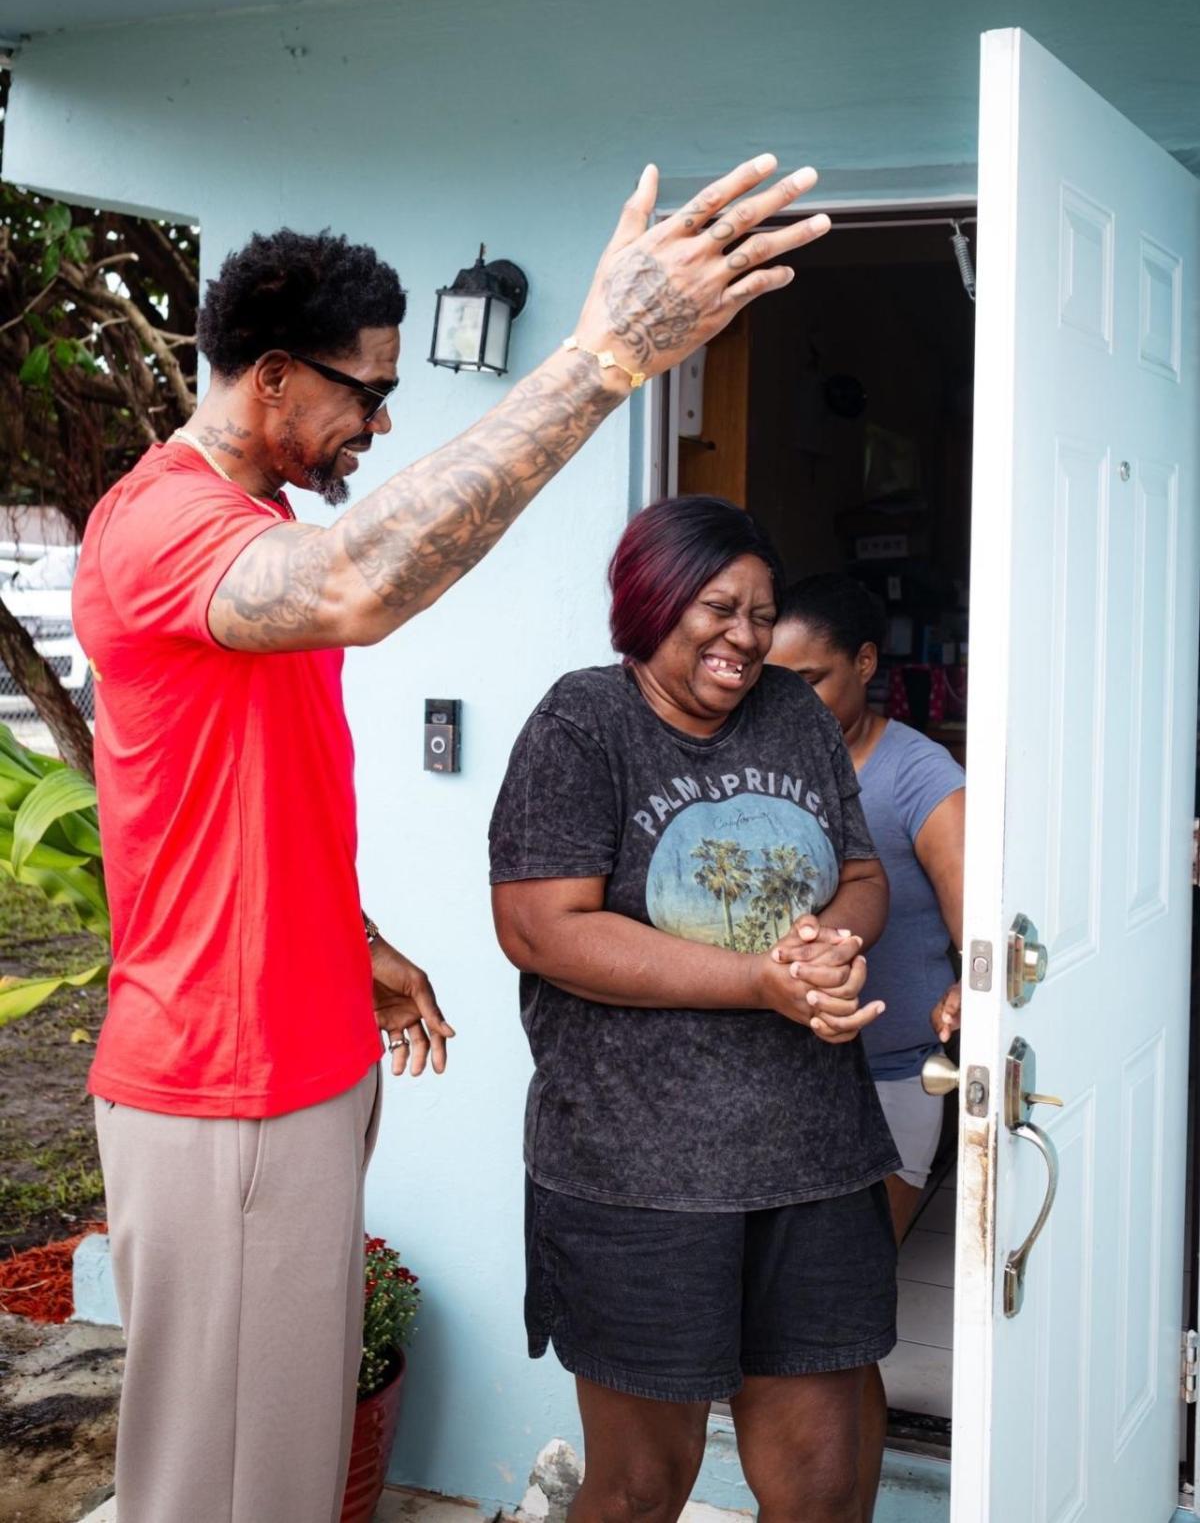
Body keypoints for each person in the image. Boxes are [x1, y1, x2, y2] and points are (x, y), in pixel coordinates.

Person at [72, 156, 832, 1523]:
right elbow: (365, 578)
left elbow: (230, 794)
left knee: (286, 1474)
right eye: (368, 390)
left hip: (292, 1056)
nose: (381, 416)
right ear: (275, 378)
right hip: (220, 1078)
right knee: (214, 1485)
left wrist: (345, 936)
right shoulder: (167, 528)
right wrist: (603, 358)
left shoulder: (244, 531)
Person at [489, 495, 901, 1523]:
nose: (747, 636)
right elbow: (543, 927)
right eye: (719, 607)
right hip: (638, 1177)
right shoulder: (583, 723)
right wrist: (761, 978)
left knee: (821, 1483)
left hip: (813, 1158)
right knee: (638, 1489)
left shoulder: (796, 715)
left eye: (763, 613)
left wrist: (832, 944)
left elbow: (861, 873)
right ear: (652, 600)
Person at [767, 573, 965, 1520]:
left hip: (890, 1077)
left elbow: (980, 925)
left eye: (811, 678)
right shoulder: (764, 756)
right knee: (815, 1331)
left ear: (866, 666)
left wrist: (973, 984)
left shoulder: (917, 771)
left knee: (830, 1322)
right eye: (775, 676)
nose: (790, 696)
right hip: (787, 1074)